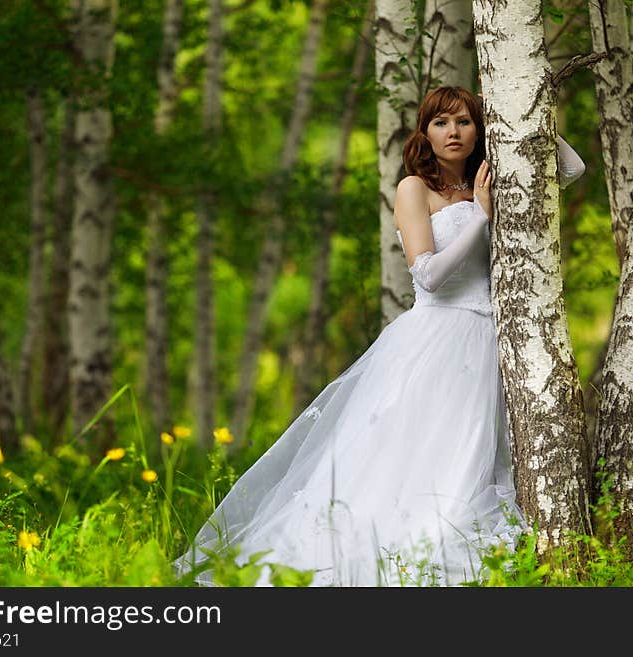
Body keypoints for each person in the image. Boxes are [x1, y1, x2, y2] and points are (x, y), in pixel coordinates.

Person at [173, 85, 585, 587]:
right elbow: (429, 276)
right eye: (440, 123)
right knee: (418, 461)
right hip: (437, 340)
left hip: (495, 344)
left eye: (464, 122)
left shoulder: (490, 179)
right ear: (424, 133)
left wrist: (518, 101)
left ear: (480, 130)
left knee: (475, 459)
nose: (452, 132)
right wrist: (481, 216)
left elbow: (570, 169)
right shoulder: (415, 188)